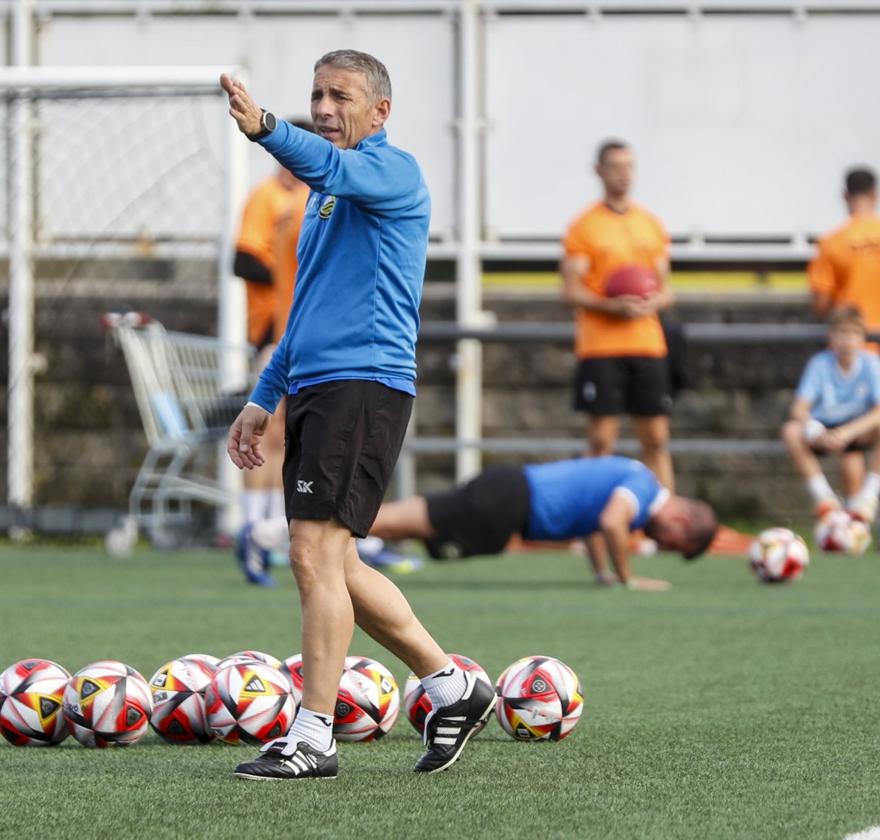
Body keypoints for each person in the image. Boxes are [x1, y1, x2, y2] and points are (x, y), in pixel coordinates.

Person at [221, 50, 495, 781]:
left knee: (311, 553)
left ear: (380, 112)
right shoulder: (322, 196)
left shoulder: (388, 170)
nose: (323, 106)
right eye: (315, 94)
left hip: (363, 385)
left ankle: (312, 735)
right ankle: (451, 684)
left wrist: (266, 127)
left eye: (340, 95)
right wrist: (262, 395)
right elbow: (305, 303)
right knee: (335, 560)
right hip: (315, 385)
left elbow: (330, 167)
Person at [240, 456, 719, 592]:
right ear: (680, 520)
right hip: (507, 501)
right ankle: (266, 535)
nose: (666, 545)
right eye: (676, 543)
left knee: (395, 525)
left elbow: (596, 525)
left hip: (508, 501)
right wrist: (628, 580)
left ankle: (275, 537)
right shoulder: (643, 488)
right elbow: (613, 524)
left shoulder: (638, 481)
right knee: (391, 520)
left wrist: (603, 575)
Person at [561, 139, 676, 491]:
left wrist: (648, 304)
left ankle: (666, 519)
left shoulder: (650, 224)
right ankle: (590, 522)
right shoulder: (585, 226)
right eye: (615, 166)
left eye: (629, 166)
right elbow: (570, 290)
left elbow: (666, 288)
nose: (623, 174)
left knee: (656, 438)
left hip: (647, 344)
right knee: (600, 440)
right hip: (601, 347)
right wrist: (614, 306)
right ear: (599, 171)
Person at [233, 122, 314, 532]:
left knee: (284, 430)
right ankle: (254, 520)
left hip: (292, 329)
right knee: (266, 423)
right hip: (271, 328)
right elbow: (243, 259)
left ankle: (269, 521)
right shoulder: (269, 198)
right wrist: (287, 276)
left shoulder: (306, 199)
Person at [781, 305, 880, 523]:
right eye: (842, 333)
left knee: (852, 463)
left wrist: (847, 432)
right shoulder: (820, 363)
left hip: (858, 430)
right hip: (825, 428)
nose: (848, 340)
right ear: (831, 337)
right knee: (791, 431)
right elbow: (798, 408)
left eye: (854, 333)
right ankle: (825, 500)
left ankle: (869, 497)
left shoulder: (871, 364)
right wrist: (815, 429)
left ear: (863, 337)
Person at [808, 167, 880, 332]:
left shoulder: (832, 242)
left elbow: (821, 304)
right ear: (875, 194)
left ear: (845, 196)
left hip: (852, 342)